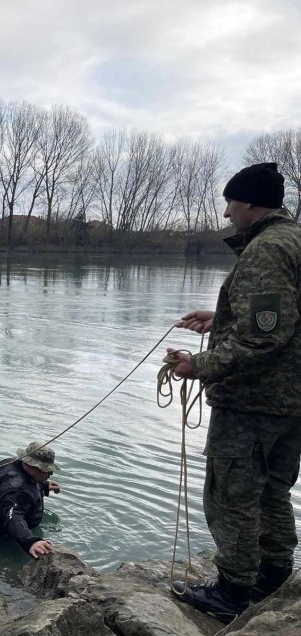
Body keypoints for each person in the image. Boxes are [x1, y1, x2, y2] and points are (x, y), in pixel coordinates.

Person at [169, 162, 301, 623]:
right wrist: (218, 319)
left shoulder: (267, 249)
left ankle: (232, 591)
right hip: (291, 403)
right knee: (273, 492)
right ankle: (274, 574)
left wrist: (198, 365)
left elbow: (264, 336)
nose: (226, 214)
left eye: (229, 203)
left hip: (254, 403)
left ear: (247, 202)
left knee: (232, 495)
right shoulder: (295, 240)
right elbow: (281, 321)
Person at [0, 441, 61, 558]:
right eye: (47, 471)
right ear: (35, 468)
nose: (51, 473)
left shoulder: (9, 462)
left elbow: (6, 487)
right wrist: (30, 542)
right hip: (4, 535)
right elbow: (13, 516)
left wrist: (43, 485)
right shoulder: (19, 490)